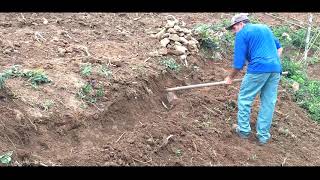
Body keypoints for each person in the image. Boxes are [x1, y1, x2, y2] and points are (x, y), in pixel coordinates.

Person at [224, 13, 283, 145]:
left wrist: (229, 78)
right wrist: (271, 63)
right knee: (268, 103)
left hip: (258, 68)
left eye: (233, 28)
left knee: (245, 98)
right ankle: (263, 136)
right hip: (275, 69)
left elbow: (239, 64)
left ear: (241, 24)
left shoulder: (242, 33)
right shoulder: (265, 28)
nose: (233, 32)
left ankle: (244, 131)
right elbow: (279, 48)